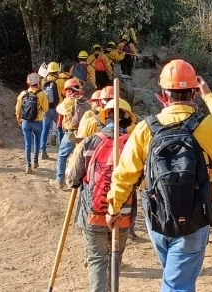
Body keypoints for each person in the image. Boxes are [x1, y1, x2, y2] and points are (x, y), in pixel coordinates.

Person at [105, 60, 212, 292]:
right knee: (178, 284)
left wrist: (113, 208)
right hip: (195, 218)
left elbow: (124, 174)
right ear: (194, 93)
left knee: (175, 277)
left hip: (157, 217)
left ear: (162, 96)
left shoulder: (145, 129)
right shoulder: (208, 127)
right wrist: (208, 95)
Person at [68, 98, 137, 292]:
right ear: (128, 119)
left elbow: (73, 177)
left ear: (105, 117)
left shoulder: (90, 141)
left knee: (97, 260)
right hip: (123, 214)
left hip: (93, 213)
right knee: (114, 258)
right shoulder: (133, 145)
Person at [50, 78, 86, 190]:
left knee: (62, 156)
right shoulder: (84, 100)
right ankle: (80, 182)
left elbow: (58, 109)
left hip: (70, 134)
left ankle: (59, 180)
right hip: (83, 134)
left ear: (69, 90)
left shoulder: (67, 102)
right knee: (81, 158)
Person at [16, 72, 49, 174]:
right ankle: (35, 162)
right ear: (38, 83)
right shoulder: (42, 94)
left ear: (28, 83)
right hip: (37, 122)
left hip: (25, 122)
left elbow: (18, 109)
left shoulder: (22, 94)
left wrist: (18, 118)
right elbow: (46, 108)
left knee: (27, 144)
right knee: (37, 142)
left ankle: (28, 166)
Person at [39, 62, 66, 160]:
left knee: (45, 130)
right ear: (57, 70)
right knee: (60, 129)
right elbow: (65, 93)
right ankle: (62, 151)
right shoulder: (60, 81)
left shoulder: (43, 80)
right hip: (58, 109)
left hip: (46, 109)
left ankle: (43, 151)